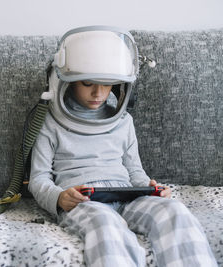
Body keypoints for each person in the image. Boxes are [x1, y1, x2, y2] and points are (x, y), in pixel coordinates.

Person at [28, 26, 217, 267]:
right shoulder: (48, 123)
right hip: (84, 201)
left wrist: (150, 187)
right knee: (106, 226)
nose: (99, 93)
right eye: (87, 83)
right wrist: (58, 197)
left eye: (107, 84)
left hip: (126, 194)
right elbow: (38, 178)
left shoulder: (123, 122)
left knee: (174, 212)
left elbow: (135, 170)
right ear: (65, 80)